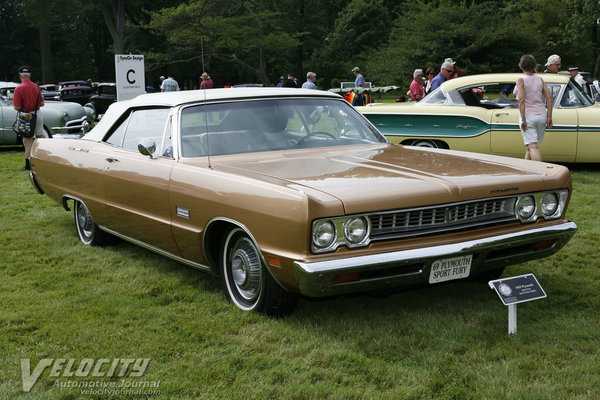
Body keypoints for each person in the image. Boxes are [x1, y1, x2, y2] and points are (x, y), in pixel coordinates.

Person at [516, 54, 553, 162]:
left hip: (528, 116)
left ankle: (540, 174)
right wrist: (549, 117)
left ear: (521, 65)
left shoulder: (521, 80)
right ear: (534, 66)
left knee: (533, 147)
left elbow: (521, 100)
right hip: (541, 116)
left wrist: (523, 119)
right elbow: (549, 97)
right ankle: (525, 170)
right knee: (529, 147)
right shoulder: (539, 79)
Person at [12, 66, 45, 171]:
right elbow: (42, 103)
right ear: (30, 75)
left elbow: (16, 107)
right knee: (40, 139)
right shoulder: (36, 87)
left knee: (27, 141)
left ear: (19, 75)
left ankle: (28, 165)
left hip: (27, 117)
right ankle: (43, 162)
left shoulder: (19, 88)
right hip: (38, 114)